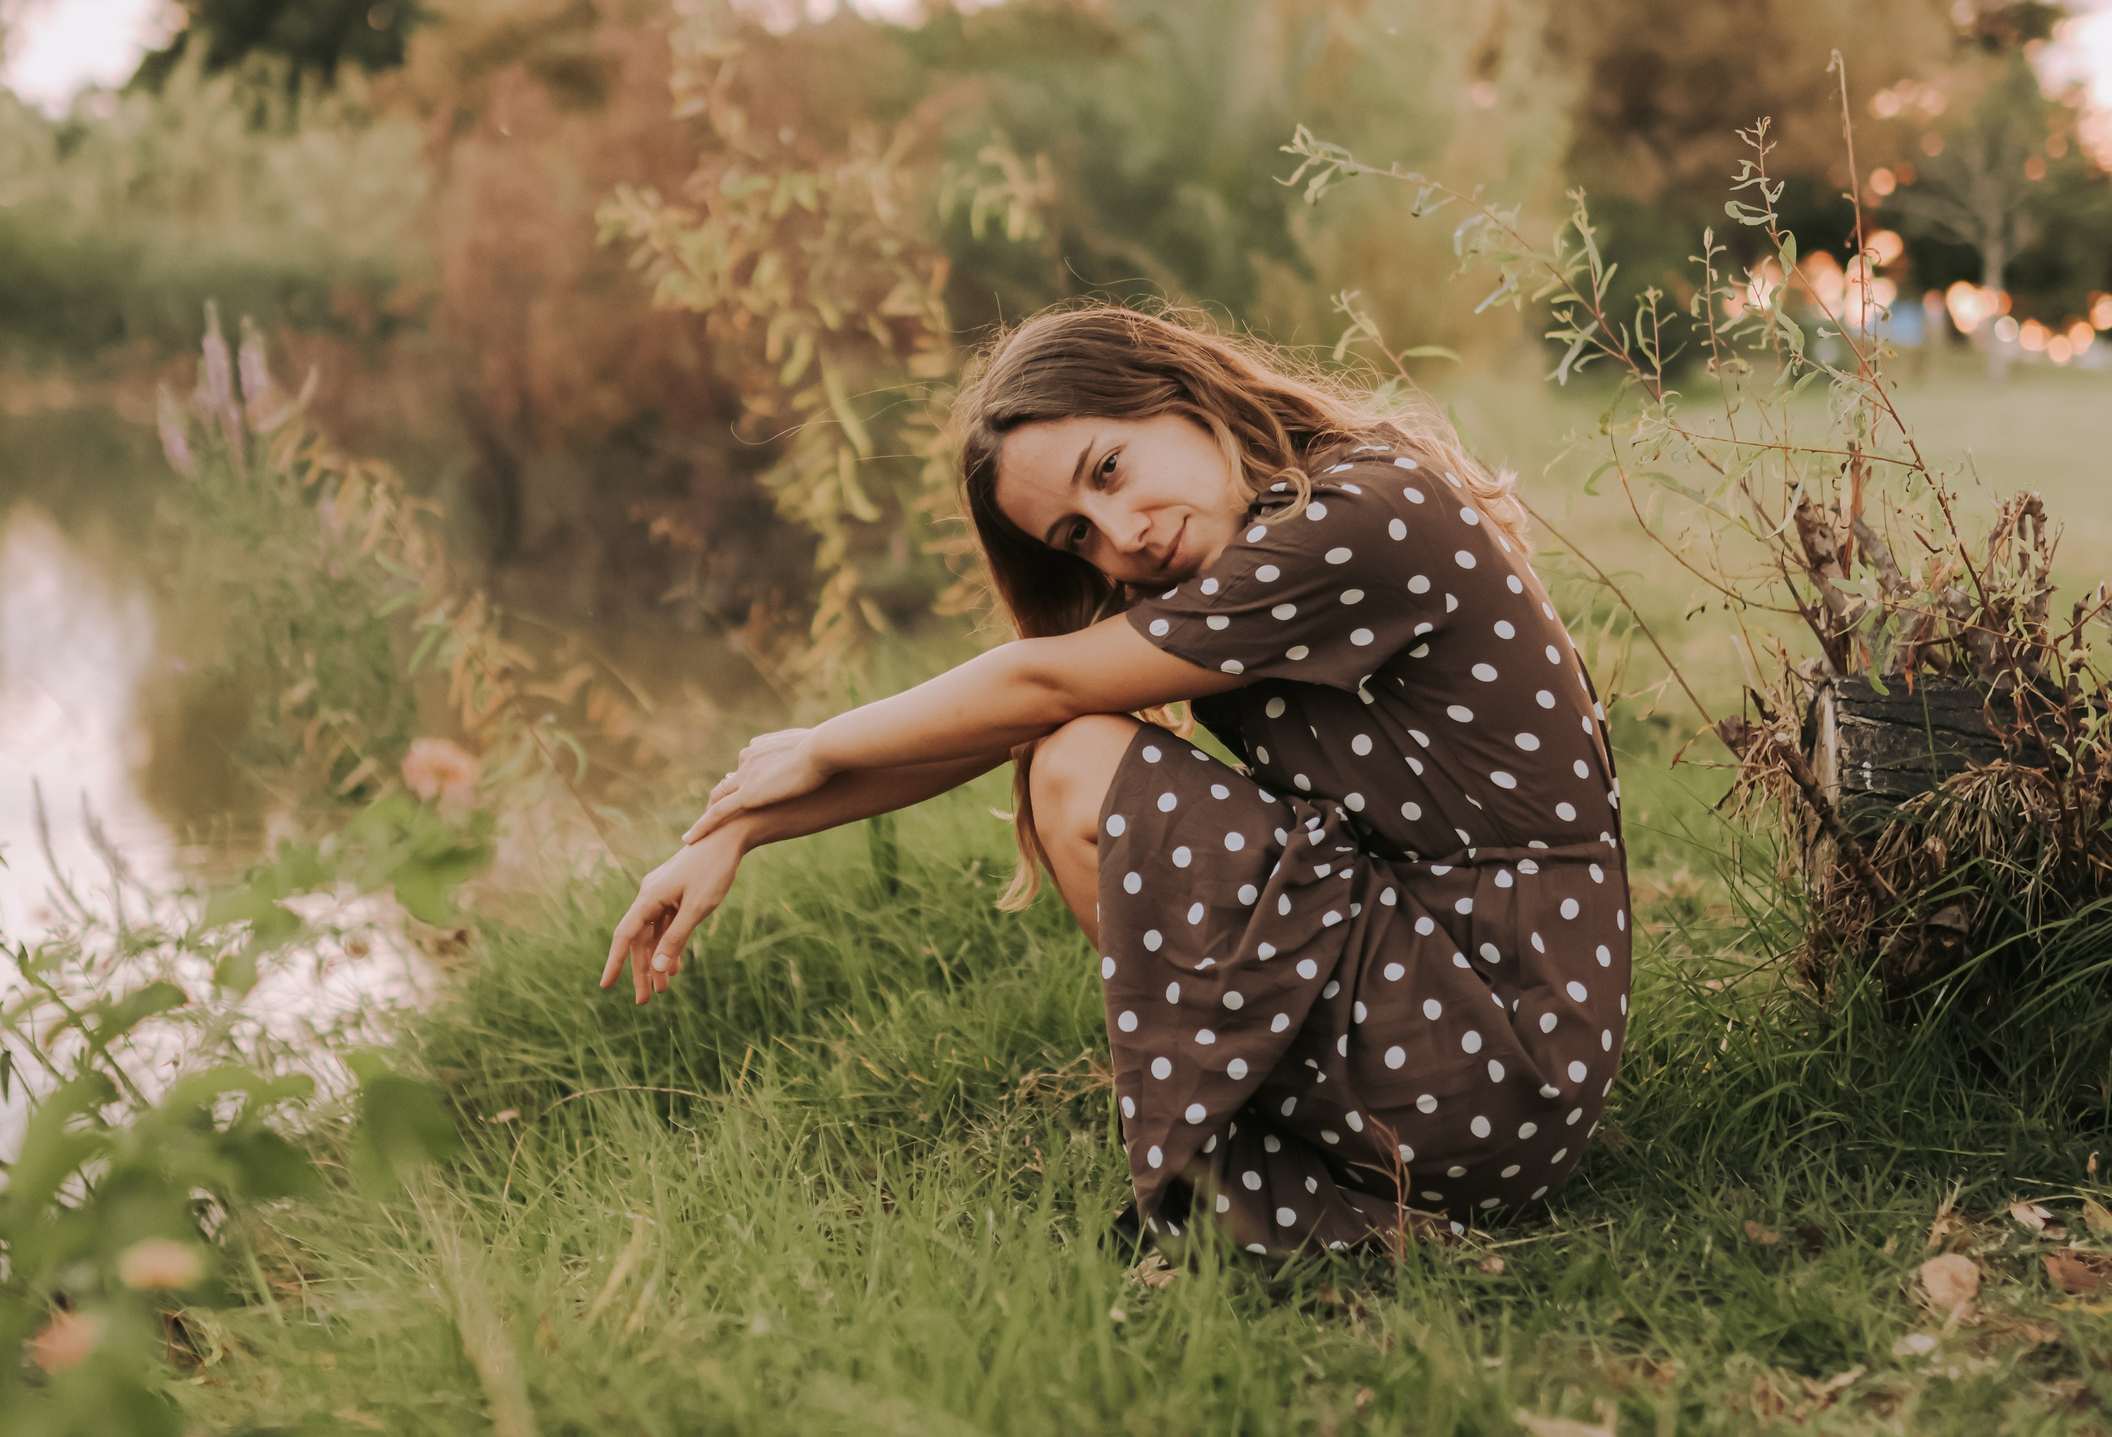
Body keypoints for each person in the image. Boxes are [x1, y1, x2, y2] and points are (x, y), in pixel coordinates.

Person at [598, 304, 1632, 1257]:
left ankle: (1250, 1157)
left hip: (1505, 1051)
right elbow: (1004, 714)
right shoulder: (1260, 538)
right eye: (1076, 535)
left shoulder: (1359, 518)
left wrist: (820, 737)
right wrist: (736, 831)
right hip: (1471, 1022)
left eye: (1109, 468)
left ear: (1176, 390)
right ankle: (1253, 1142)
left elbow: (1040, 682)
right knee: (1065, 746)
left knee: (1080, 764)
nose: (1123, 532)